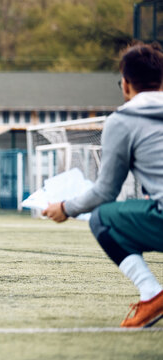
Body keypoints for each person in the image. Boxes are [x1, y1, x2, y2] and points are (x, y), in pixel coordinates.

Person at [43, 42, 163, 328]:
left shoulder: (123, 120)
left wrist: (65, 207)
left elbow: (106, 191)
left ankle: (152, 293)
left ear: (125, 85)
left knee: (102, 219)